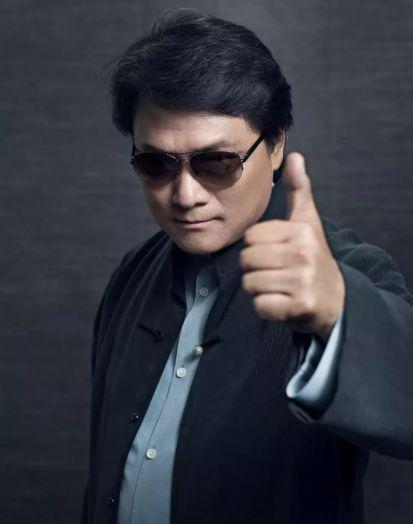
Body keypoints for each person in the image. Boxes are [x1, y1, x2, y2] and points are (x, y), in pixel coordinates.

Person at [80, 8, 413, 524]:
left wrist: (340, 313)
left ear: (276, 145)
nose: (185, 195)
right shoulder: (132, 274)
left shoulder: (345, 270)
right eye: (156, 164)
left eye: (216, 162)